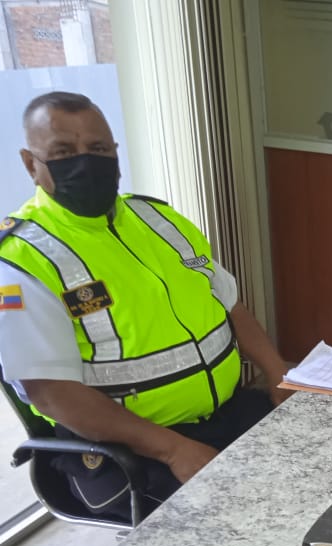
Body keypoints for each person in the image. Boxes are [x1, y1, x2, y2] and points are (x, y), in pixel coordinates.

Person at [0, 91, 291, 522]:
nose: (85, 161)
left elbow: (231, 306)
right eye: (63, 152)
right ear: (30, 164)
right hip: (126, 455)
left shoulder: (159, 220)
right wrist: (173, 450)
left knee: (313, 468)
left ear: (115, 153)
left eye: (98, 148)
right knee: (254, 522)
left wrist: (278, 372)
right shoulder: (22, 260)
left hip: (225, 416)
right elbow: (53, 395)